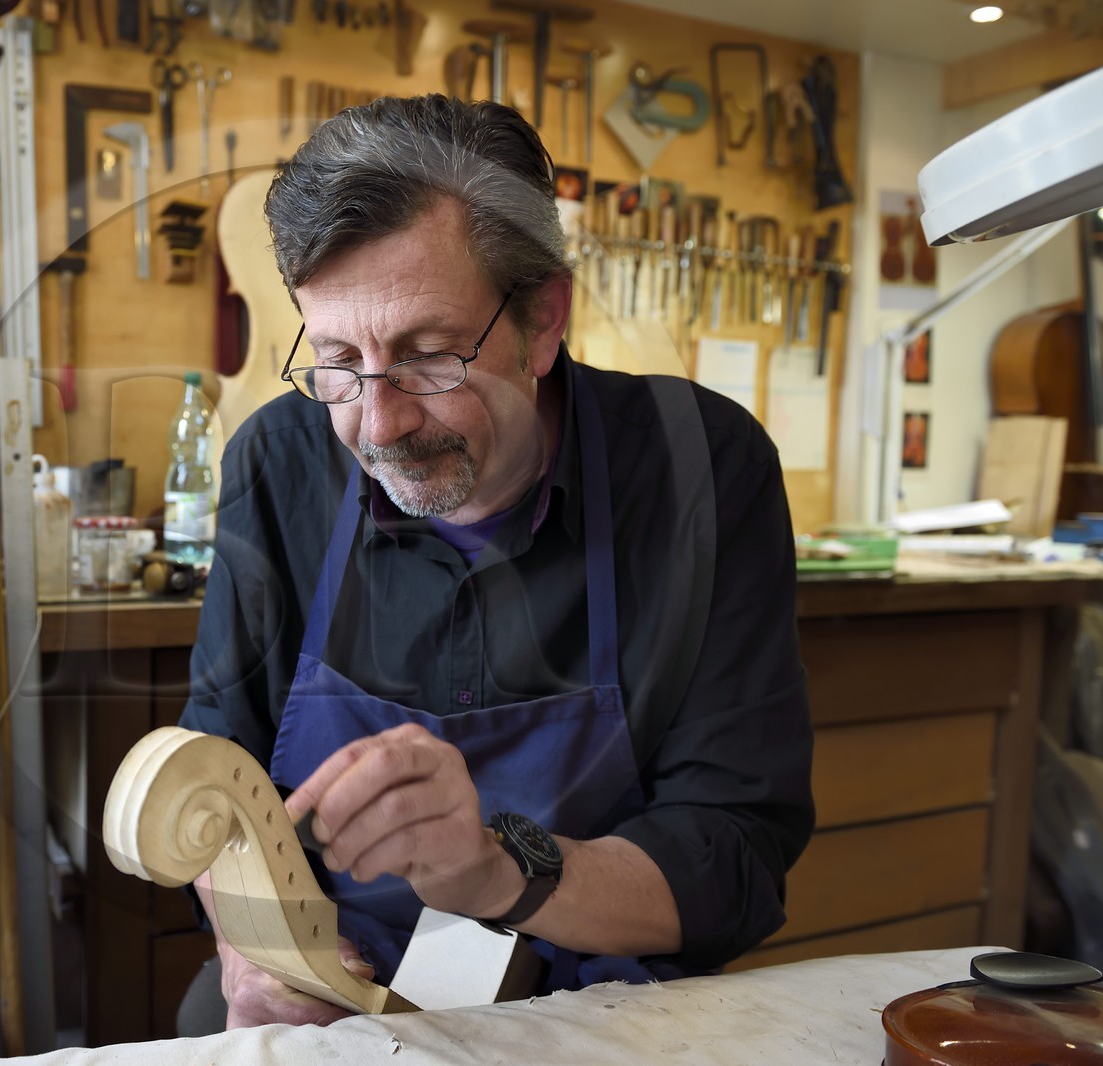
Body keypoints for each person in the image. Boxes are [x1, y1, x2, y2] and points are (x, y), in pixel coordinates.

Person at [176, 94, 813, 1034]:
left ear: (543, 319)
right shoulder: (280, 460)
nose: (377, 425)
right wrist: (258, 956)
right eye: (339, 359)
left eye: (428, 356)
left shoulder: (698, 469)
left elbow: (736, 853)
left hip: (599, 1006)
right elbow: (216, 777)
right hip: (333, 995)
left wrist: (492, 869)